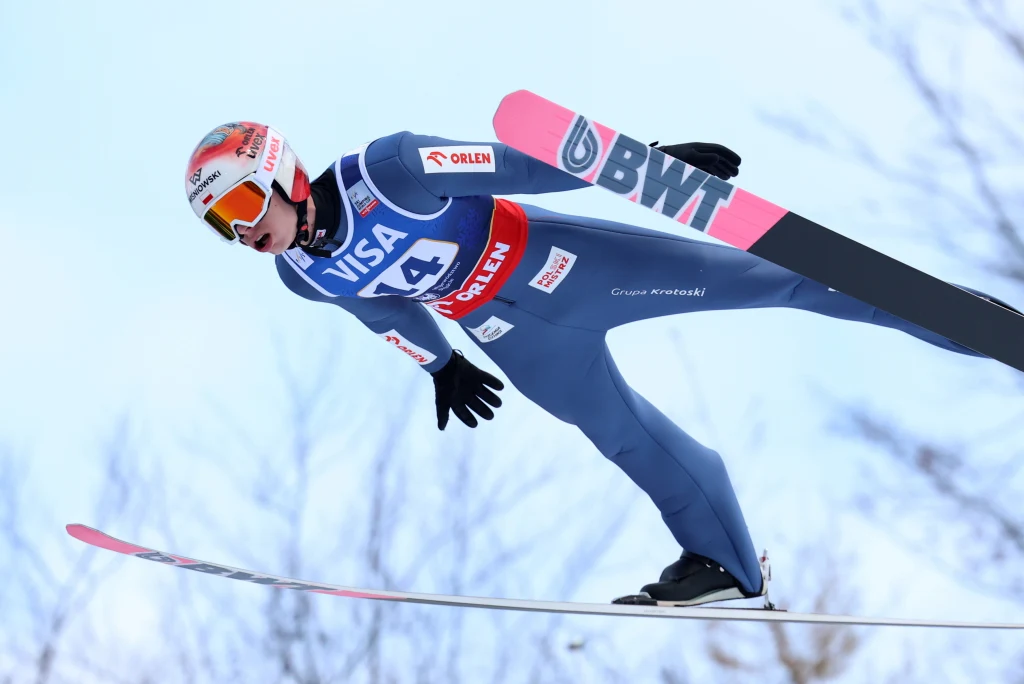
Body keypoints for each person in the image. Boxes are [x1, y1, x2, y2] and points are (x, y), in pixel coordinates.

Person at [183, 121, 995, 606]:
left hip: (565, 264)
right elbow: (379, 310)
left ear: (283, 172)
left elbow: (509, 164)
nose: (244, 232)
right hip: (509, 333)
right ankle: (724, 563)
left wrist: (639, 163)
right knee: (623, 435)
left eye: (245, 204)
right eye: (223, 225)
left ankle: (974, 323)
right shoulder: (303, 274)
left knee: (776, 280)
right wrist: (440, 366)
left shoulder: (389, 171)